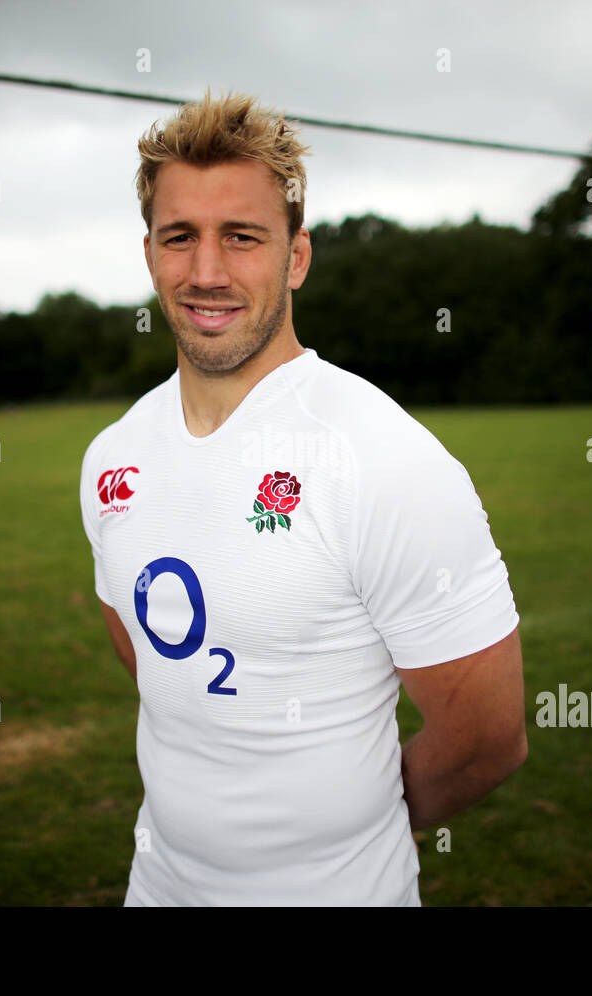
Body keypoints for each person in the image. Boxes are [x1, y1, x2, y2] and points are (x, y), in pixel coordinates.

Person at [79, 89, 526, 906]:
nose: (206, 272)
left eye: (242, 238)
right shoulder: (112, 456)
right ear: (150, 253)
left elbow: (487, 739)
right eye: (181, 237)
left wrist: (347, 837)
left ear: (296, 258)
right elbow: (151, 666)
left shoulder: (383, 458)